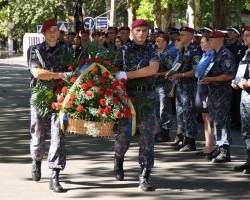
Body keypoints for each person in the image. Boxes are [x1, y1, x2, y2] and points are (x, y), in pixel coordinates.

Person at [113, 19, 159, 191]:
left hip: (147, 97)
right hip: (128, 98)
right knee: (124, 135)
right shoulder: (123, 51)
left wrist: (128, 74)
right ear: (132, 32)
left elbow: (152, 69)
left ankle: (145, 174)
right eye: (138, 30)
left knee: (148, 136)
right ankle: (118, 158)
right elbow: (115, 74)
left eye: (144, 30)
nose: (142, 33)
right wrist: (121, 80)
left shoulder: (152, 49)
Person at [28, 18, 73, 192]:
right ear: (44, 33)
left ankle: (55, 175)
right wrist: (60, 75)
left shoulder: (66, 51)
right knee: (38, 133)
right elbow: (38, 73)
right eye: (49, 30)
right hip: (40, 97)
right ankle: (36, 161)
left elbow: (73, 71)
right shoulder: (35, 50)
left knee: (58, 135)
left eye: (55, 30)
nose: (53, 33)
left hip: (61, 97)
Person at [200, 30, 235, 163]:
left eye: (211, 39)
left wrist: (211, 79)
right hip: (213, 92)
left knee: (222, 120)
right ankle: (219, 146)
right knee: (215, 120)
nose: (209, 42)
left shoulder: (226, 55)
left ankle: (225, 149)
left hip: (222, 93)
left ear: (218, 40)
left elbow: (228, 75)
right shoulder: (215, 55)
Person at [169, 27, 201, 152]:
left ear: (190, 36)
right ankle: (185, 139)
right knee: (181, 114)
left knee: (189, 114)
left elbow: (196, 70)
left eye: (182, 35)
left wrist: (181, 75)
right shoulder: (182, 51)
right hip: (180, 86)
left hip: (189, 87)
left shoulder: (194, 51)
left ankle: (191, 141)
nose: (179, 37)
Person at [231, 25, 250, 173]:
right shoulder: (246, 53)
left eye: (247, 35)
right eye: (244, 35)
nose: (244, 38)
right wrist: (236, 81)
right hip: (245, 96)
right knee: (246, 130)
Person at [194, 36, 215, 156]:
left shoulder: (212, 56)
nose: (200, 45)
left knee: (208, 117)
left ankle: (210, 146)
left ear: (209, 43)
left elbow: (202, 72)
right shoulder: (205, 55)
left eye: (203, 42)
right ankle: (208, 145)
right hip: (200, 85)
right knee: (204, 117)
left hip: (206, 87)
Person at [154, 32, 175, 142]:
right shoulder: (155, 53)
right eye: (156, 41)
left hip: (164, 84)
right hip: (155, 84)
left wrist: (160, 74)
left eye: (158, 41)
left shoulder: (168, 54)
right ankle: (158, 131)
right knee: (157, 108)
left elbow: (172, 70)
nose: (156, 43)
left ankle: (165, 131)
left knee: (164, 108)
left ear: (165, 42)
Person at [226, 26, 246, 130]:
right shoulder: (227, 46)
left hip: (239, 76)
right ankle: (233, 119)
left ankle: (237, 121)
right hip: (231, 76)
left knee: (237, 100)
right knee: (232, 100)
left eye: (232, 32)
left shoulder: (241, 47)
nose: (229, 33)